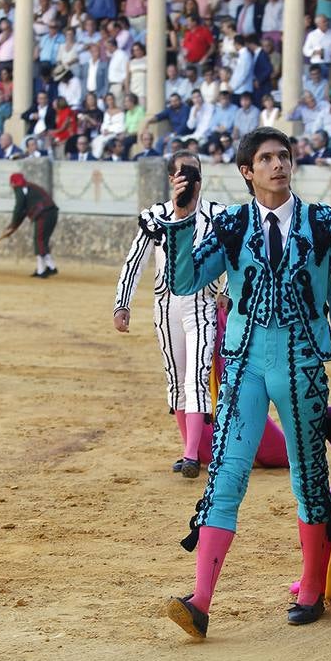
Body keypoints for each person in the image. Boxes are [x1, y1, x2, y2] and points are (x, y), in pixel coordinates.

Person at [160, 127, 331, 638]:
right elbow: (185, 279)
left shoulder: (323, 223)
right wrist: (183, 218)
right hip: (244, 364)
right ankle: (201, 601)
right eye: (268, 159)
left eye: (285, 156)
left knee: (307, 476)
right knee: (227, 475)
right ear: (246, 172)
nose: (279, 165)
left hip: (301, 362)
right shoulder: (231, 224)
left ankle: (311, 587)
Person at [114, 151, 224, 478]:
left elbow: (238, 257)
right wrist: (123, 303)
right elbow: (135, 262)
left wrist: (229, 292)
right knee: (176, 380)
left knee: (197, 377)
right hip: (167, 305)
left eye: (195, 174)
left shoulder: (219, 215)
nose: (190, 180)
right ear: (170, 179)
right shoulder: (157, 216)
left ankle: (192, 455)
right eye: (182, 174)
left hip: (202, 303)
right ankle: (189, 448)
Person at [3, 173, 59, 278]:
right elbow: (22, 212)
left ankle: (42, 270)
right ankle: (50, 267)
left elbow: (19, 209)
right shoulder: (29, 187)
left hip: (44, 214)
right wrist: (13, 227)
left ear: (13, 183)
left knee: (39, 240)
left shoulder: (20, 189)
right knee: (42, 241)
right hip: (51, 213)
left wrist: (11, 226)